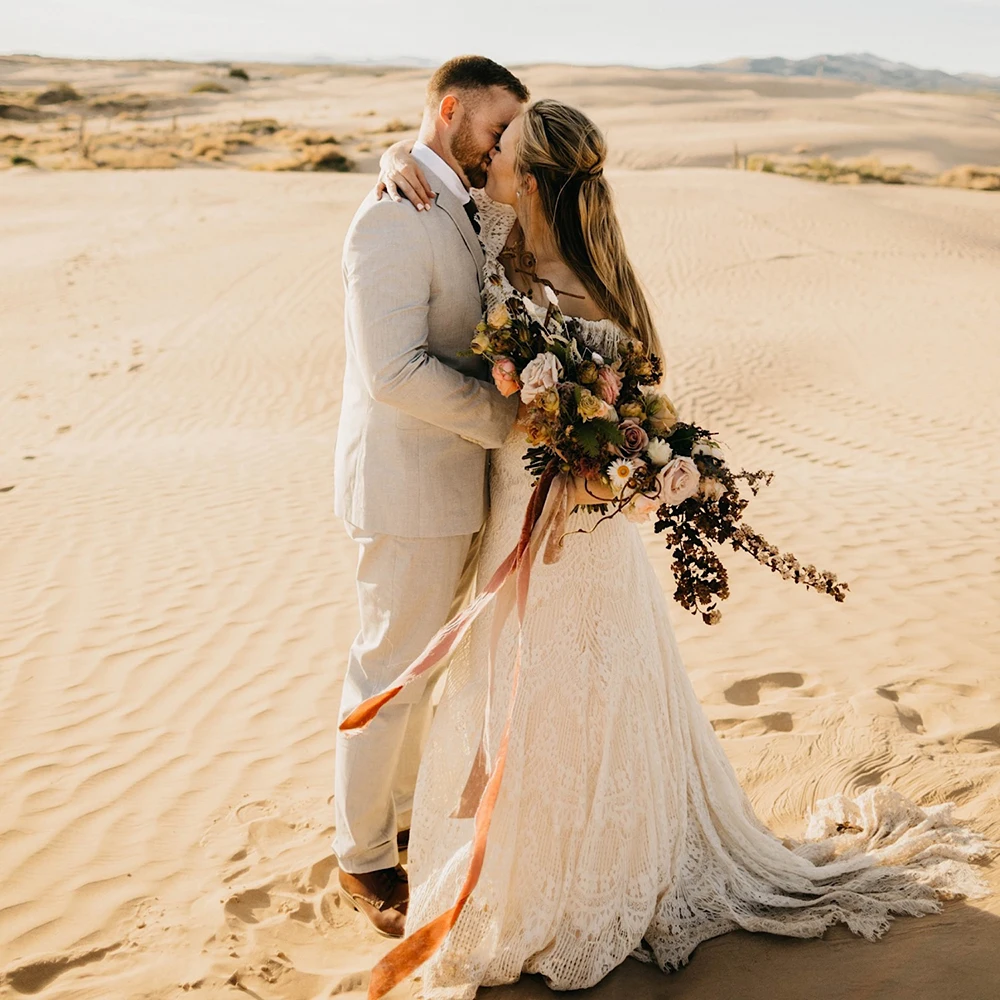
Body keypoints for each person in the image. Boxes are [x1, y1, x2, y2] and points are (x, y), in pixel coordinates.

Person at [360, 99, 991, 995]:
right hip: (515, 517)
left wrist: (597, 463)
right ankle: (521, 857)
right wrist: (396, 155)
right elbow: (425, 170)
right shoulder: (506, 242)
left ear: (531, 180)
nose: (488, 155)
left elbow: (613, 430)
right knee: (521, 686)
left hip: (567, 536)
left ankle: (579, 883)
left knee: (576, 691)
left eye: (503, 149)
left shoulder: (584, 297)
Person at [332, 55, 529, 937]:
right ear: (450, 111)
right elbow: (393, 373)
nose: (501, 148)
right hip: (408, 489)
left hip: (461, 492)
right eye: (494, 128)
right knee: (387, 674)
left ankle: (402, 817)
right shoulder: (389, 219)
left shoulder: (445, 197)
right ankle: (363, 857)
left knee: (427, 674)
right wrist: (505, 420)